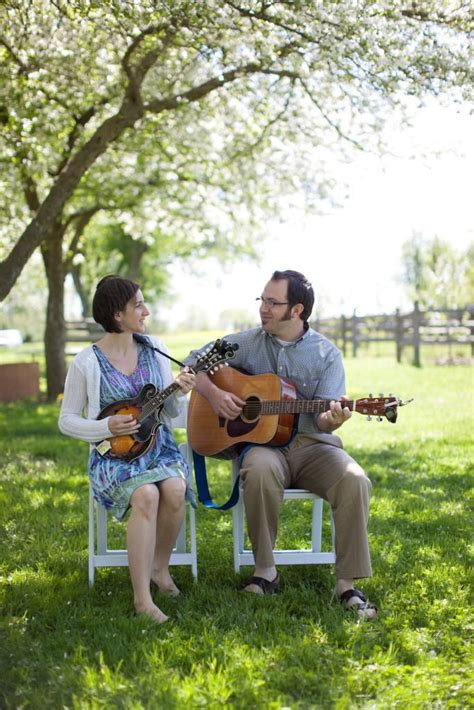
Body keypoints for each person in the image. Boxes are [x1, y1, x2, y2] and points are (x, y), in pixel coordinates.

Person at [185, 269, 377, 620]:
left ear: (297, 310)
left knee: (355, 479)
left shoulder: (326, 354)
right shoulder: (246, 341)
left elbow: (323, 418)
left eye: (273, 303)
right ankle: (265, 572)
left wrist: (333, 418)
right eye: (262, 300)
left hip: (313, 445)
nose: (264, 308)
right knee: (257, 469)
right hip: (266, 448)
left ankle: (347, 584)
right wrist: (213, 394)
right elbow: (191, 362)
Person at [58, 275, 196, 625]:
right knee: (147, 495)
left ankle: (158, 567)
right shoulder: (87, 362)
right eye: (138, 305)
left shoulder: (154, 348)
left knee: (176, 489)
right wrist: (105, 426)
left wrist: (177, 391)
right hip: (112, 456)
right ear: (117, 314)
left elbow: (169, 413)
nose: (146, 311)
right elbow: (67, 420)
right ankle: (142, 600)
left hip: (158, 448)